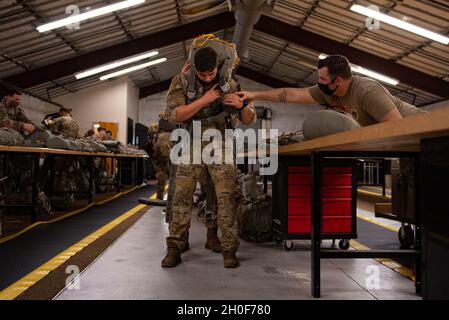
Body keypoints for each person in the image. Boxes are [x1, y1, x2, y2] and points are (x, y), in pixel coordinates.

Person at [161, 46, 256, 268]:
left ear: (217, 67)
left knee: (225, 198)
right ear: (195, 68)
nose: (206, 77)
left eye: (210, 73)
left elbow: (249, 119)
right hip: (190, 141)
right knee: (181, 197)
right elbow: (175, 115)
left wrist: (241, 105)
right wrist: (205, 100)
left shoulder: (229, 83)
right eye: (202, 74)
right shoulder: (182, 81)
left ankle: (229, 249)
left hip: (220, 142)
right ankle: (174, 247)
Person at [236, 55, 425, 127]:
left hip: (425, 130)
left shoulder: (367, 92)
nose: (318, 82)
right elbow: (291, 94)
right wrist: (254, 95)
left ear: (338, 80)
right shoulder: (328, 91)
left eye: (322, 79)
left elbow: (398, 126)